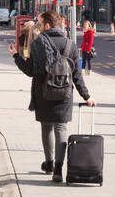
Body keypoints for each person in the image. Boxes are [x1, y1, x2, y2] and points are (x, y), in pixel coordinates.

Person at [9, 11, 94, 181]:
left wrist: (16, 56)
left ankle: (48, 162)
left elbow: (30, 71)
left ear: (47, 25)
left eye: (40, 24)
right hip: (65, 94)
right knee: (61, 128)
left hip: (43, 93)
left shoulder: (38, 44)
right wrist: (87, 97)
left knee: (46, 127)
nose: (38, 27)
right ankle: (58, 168)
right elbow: (77, 76)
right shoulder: (70, 45)